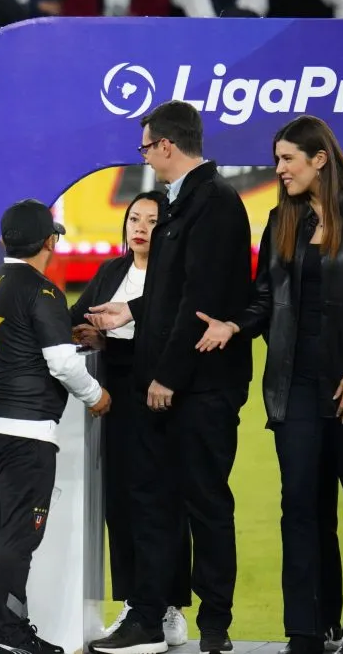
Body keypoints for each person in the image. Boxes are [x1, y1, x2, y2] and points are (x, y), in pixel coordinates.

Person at [194, 115, 343, 654]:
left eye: (287, 159)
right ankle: (306, 632)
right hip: (295, 387)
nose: (278, 169)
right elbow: (266, 300)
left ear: (320, 159)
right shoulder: (281, 220)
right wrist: (235, 326)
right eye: (276, 160)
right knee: (299, 506)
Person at [85, 100, 253, 654]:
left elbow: (199, 298)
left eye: (146, 147)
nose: (146, 158)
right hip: (173, 385)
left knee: (204, 501)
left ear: (164, 146)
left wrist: (167, 377)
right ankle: (150, 617)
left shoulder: (214, 202)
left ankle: (215, 625)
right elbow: (170, 288)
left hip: (200, 389)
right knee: (152, 498)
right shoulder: (186, 203)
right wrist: (129, 313)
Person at [0, 198, 111, 654]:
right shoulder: (44, 292)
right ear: (49, 241)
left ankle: (6, 630)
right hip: (26, 434)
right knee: (19, 537)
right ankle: (6, 635)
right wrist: (97, 395)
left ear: (3, 239)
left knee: (5, 534)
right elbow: (62, 364)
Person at [68, 191, 191, 647]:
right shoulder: (112, 272)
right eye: (134, 218)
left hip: (161, 396)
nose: (140, 227)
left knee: (162, 500)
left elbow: (176, 334)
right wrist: (88, 337)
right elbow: (75, 321)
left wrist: (118, 340)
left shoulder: (175, 277)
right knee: (120, 502)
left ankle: (168, 606)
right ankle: (137, 603)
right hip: (114, 398)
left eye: (152, 220)